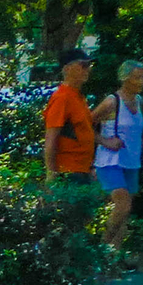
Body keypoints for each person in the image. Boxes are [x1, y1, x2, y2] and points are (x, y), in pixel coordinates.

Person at [92, 59, 143, 246]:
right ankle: (103, 247)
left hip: (131, 162)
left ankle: (115, 255)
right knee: (123, 204)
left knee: (126, 210)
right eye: (138, 77)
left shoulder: (139, 102)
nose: (142, 81)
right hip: (110, 161)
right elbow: (84, 126)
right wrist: (105, 141)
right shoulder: (112, 102)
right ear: (125, 78)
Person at [40, 51, 95, 185]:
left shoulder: (78, 97)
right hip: (68, 173)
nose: (87, 69)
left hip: (82, 170)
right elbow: (51, 138)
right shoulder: (62, 98)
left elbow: (83, 132)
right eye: (83, 65)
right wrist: (51, 174)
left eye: (89, 66)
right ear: (67, 69)